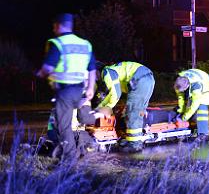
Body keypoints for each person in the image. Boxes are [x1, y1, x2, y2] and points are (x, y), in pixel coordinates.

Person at [35, 13, 96, 162]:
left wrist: (40, 73)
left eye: (54, 26)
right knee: (82, 118)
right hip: (81, 90)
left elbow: (47, 68)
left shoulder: (58, 44)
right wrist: (90, 89)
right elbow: (92, 68)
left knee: (64, 126)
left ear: (58, 26)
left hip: (65, 91)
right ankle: (84, 141)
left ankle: (70, 157)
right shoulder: (85, 44)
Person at [97, 61, 156, 152]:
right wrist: (101, 106)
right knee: (139, 111)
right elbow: (110, 95)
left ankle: (134, 144)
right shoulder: (112, 71)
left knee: (133, 111)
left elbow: (116, 94)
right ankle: (136, 138)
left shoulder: (106, 72)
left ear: (96, 71)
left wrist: (107, 108)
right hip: (146, 79)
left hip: (140, 79)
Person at [174, 68, 209, 141]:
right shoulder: (179, 81)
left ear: (187, 86)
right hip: (196, 79)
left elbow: (195, 105)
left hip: (206, 82)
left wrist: (184, 118)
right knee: (190, 107)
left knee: (201, 108)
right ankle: (194, 128)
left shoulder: (196, 85)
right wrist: (181, 111)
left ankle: (203, 134)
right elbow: (181, 97)